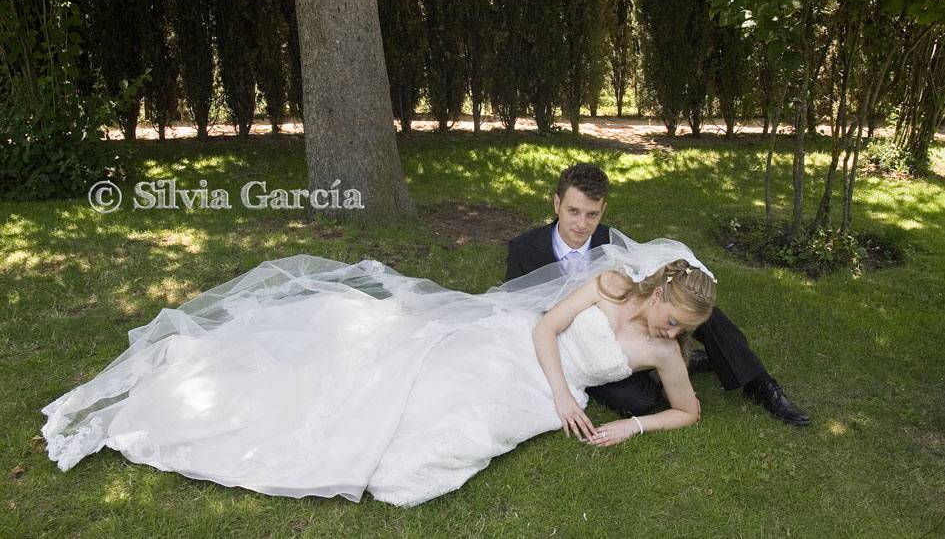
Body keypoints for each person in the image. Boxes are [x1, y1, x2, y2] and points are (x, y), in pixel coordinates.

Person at [42, 230, 715, 507]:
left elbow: (685, 410)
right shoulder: (609, 288)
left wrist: (634, 428)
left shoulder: (661, 354)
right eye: (672, 319)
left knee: (437, 454)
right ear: (657, 292)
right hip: (519, 350)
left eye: (682, 332)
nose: (670, 333)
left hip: (538, 395)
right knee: (425, 375)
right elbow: (544, 327)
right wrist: (567, 394)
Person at [506, 163, 811, 426]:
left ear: (603, 210)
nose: (582, 224)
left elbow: (639, 275)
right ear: (557, 203)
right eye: (573, 211)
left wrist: (667, 291)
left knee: (697, 306)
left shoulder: (609, 239)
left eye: (592, 214)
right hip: (582, 335)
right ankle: (681, 363)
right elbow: (521, 305)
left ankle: (758, 382)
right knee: (638, 400)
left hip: (623, 313)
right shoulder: (523, 249)